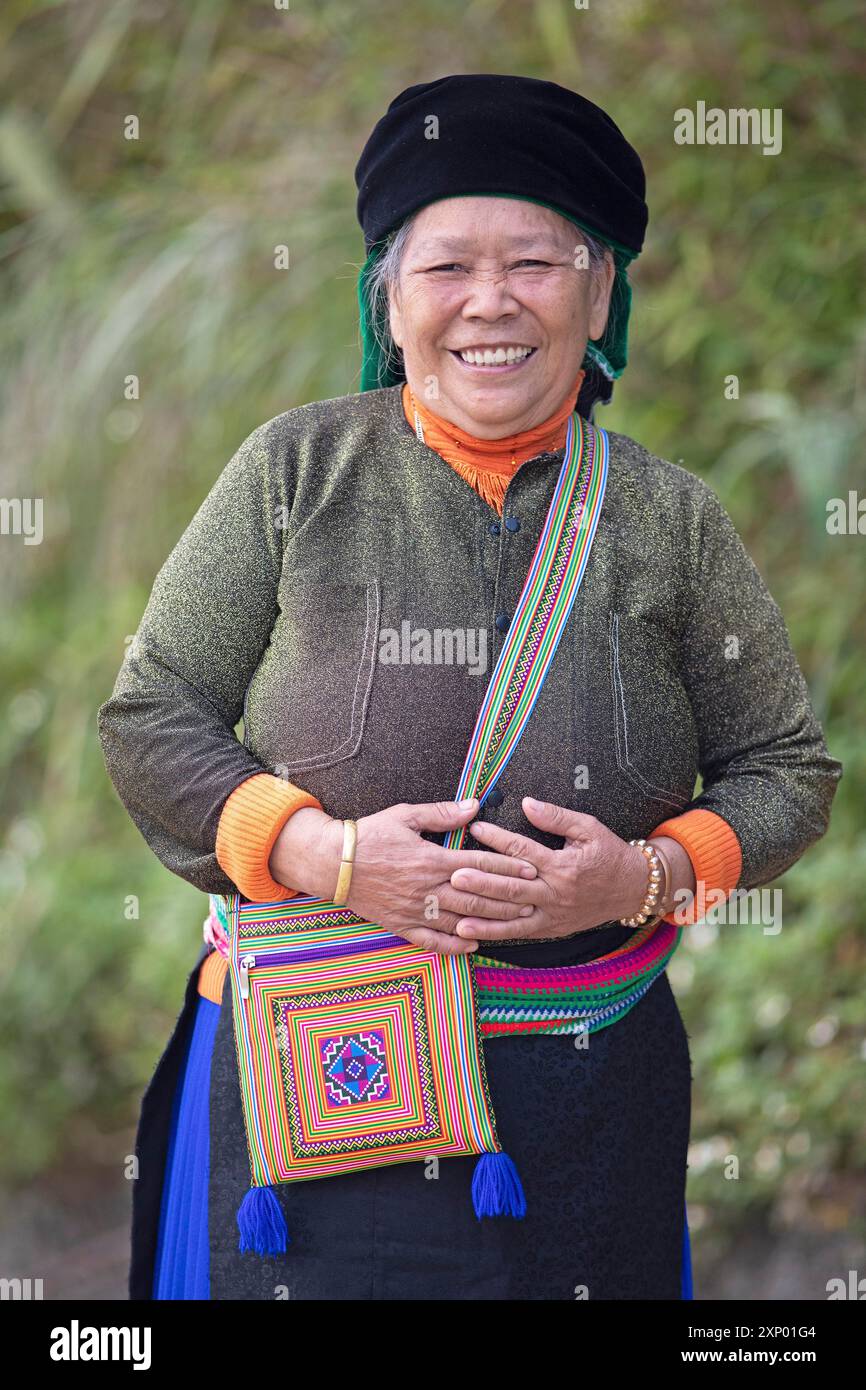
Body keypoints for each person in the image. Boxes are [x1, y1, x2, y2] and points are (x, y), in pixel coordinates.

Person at [97, 74, 842, 1301]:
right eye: (445, 266)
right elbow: (152, 713)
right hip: (318, 1088)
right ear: (386, 296)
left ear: (598, 290)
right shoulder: (294, 474)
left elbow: (784, 769)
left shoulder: (669, 521)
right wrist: (323, 855)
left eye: (535, 263)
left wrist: (642, 875)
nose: (488, 302)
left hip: (587, 1102)